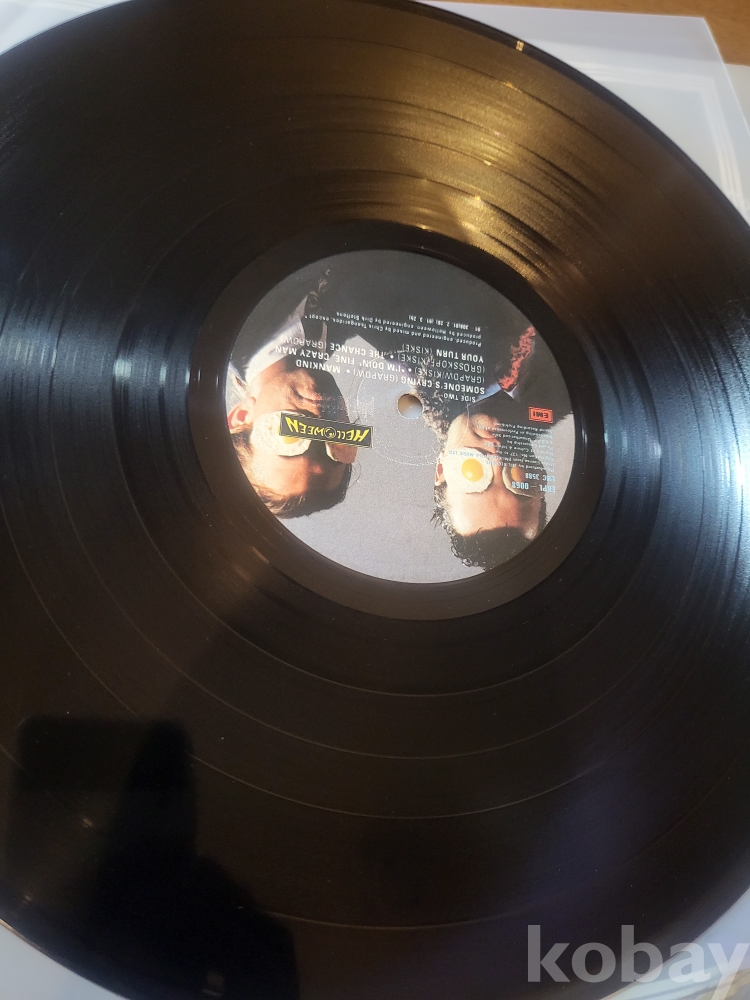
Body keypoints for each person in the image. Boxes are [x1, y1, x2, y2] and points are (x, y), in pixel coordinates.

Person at [431, 326, 571, 570]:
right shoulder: (576, 386)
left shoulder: (403, 346)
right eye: (518, 480)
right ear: (538, 474)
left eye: (472, 472)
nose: (497, 459)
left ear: (441, 469)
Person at [227, 292, 356, 518]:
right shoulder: (350, 323)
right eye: (337, 440)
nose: (319, 417)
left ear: (242, 415)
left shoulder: (225, 317)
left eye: (289, 436)